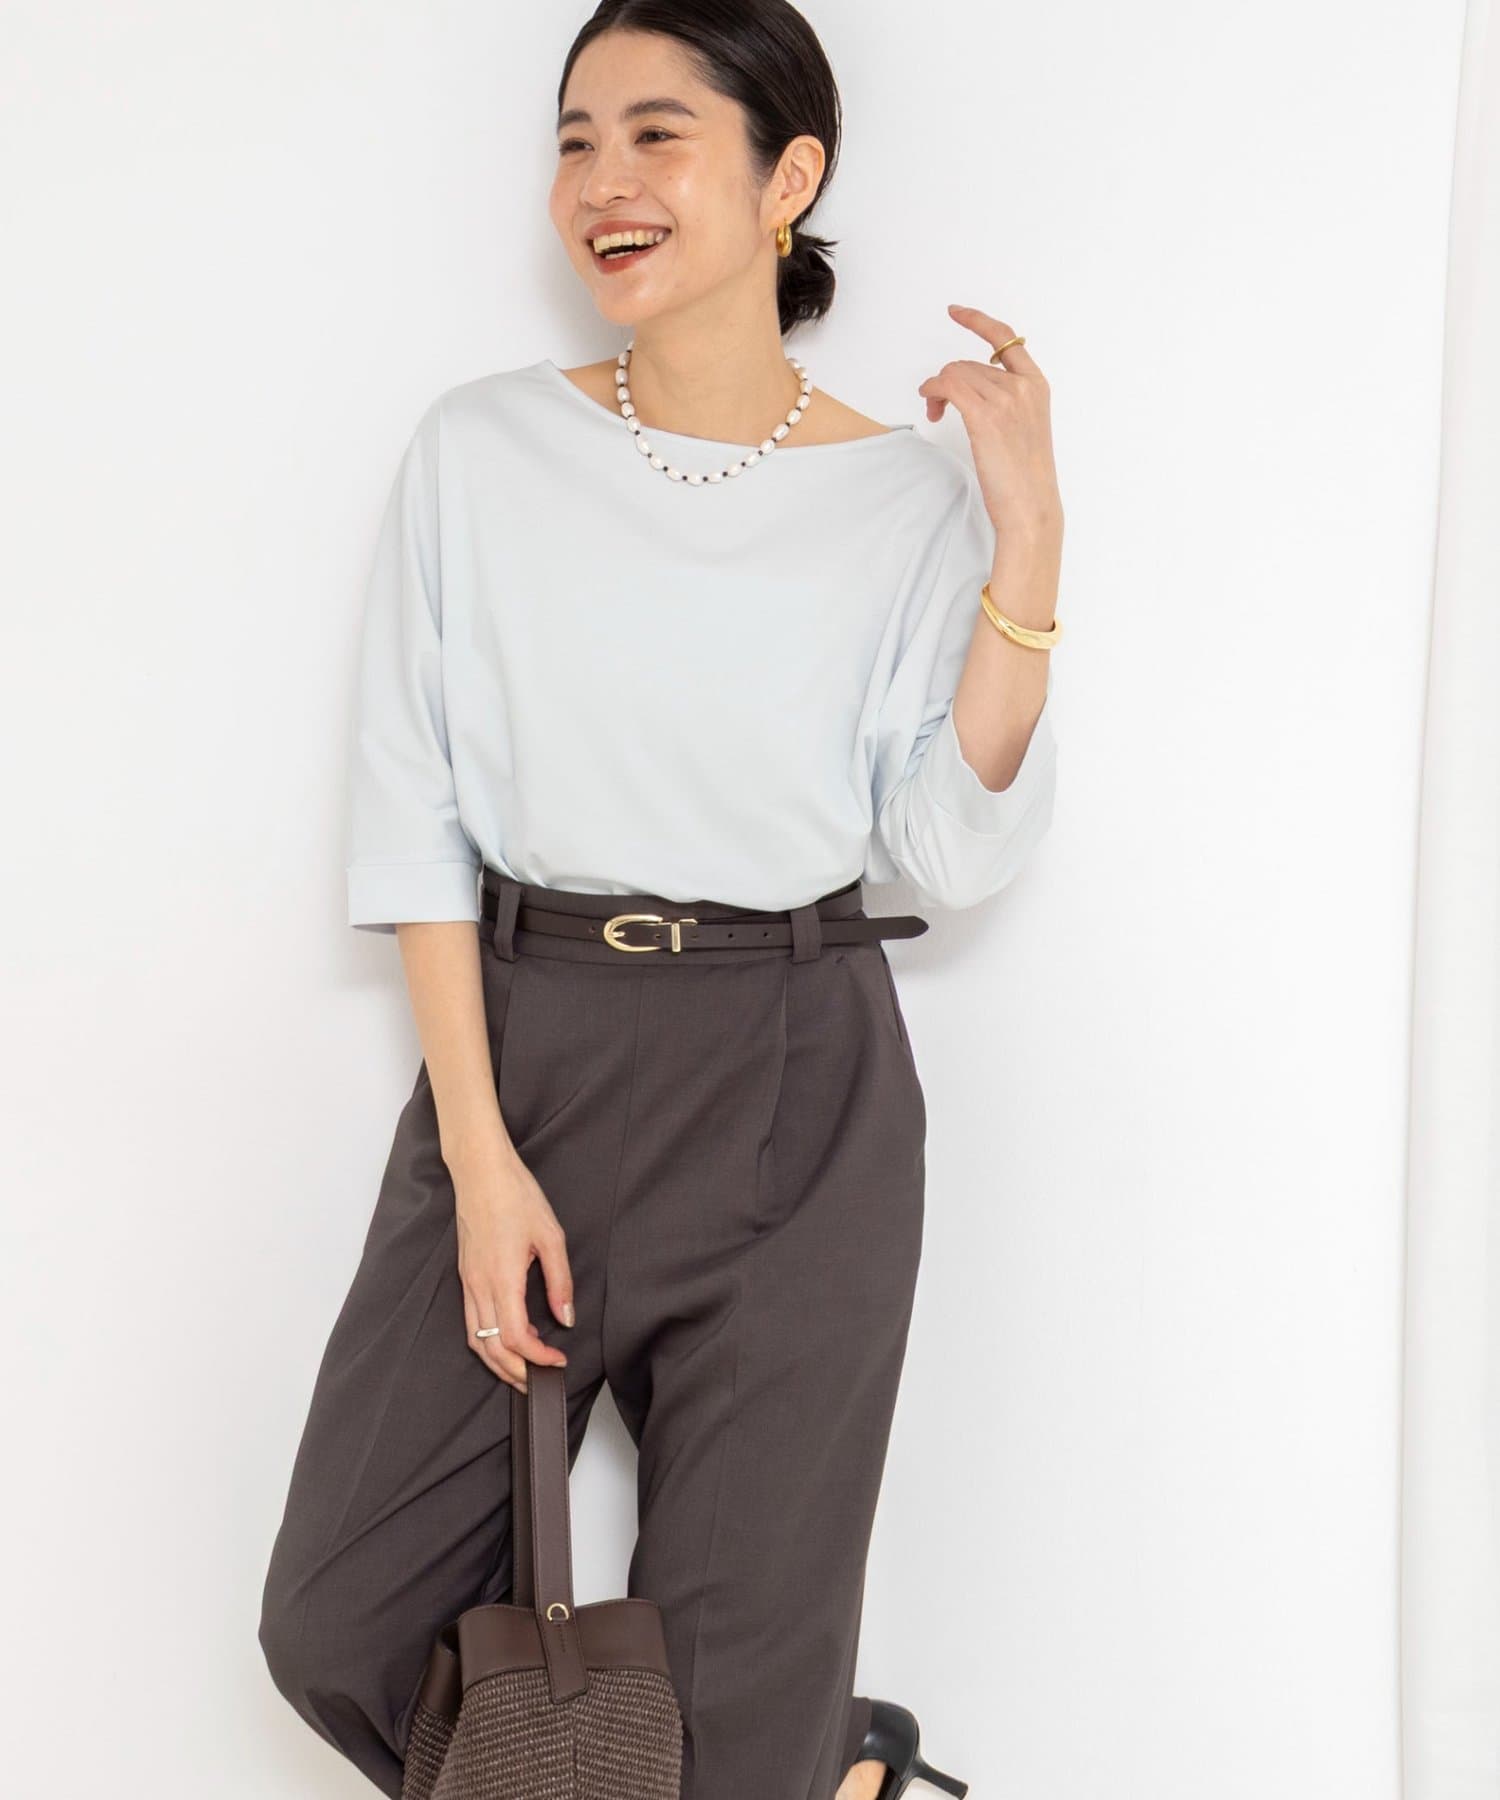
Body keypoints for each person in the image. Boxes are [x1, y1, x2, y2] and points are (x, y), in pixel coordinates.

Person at [257, 3, 1063, 1798]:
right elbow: (413, 816)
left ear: (788, 178)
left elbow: (947, 846)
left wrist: (1027, 545)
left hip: (796, 1076)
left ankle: (800, 1762)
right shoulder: (479, 451)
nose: (602, 182)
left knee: (733, 1709)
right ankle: (826, 1775)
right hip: (528, 1045)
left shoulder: (900, 500)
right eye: (575, 139)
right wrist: (481, 1158)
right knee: (337, 1617)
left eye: (655, 134)